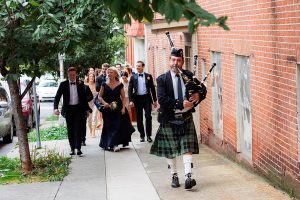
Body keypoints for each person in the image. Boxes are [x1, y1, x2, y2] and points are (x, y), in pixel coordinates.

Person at [150, 48, 207, 190]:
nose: (176, 63)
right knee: (171, 149)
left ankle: (188, 177)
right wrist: (181, 103)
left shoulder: (188, 75)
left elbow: (202, 88)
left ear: (182, 62)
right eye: (173, 60)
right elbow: (162, 99)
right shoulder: (162, 79)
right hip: (169, 118)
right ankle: (174, 175)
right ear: (169, 61)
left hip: (186, 117)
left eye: (179, 60)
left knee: (187, 147)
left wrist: (199, 95)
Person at [53, 67, 91, 156]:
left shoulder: (80, 84)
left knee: (78, 129)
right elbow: (57, 96)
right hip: (68, 109)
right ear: (68, 75)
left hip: (79, 109)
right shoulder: (63, 84)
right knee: (70, 129)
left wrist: (87, 109)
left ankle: (78, 149)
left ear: (76, 74)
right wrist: (55, 108)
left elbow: (84, 98)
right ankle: (72, 148)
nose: (72, 76)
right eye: (70, 75)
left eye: (74, 75)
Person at [98, 67, 135, 152]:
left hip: (118, 108)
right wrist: (104, 103)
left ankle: (115, 144)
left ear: (115, 74)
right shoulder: (104, 84)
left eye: (111, 72)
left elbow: (123, 97)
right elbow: (99, 97)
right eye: (108, 72)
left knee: (117, 126)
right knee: (108, 126)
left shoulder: (119, 84)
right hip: (107, 109)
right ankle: (108, 143)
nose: (109, 74)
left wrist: (123, 108)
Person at [128, 61, 157, 142]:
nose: (137, 67)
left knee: (148, 116)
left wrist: (155, 100)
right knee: (139, 118)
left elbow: (152, 89)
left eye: (139, 66)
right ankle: (142, 135)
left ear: (143, 67)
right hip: (137, 99)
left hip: (147, 98)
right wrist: (131, 100)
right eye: (136, 66)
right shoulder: (133, 77)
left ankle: (148, 136)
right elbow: (130, 89)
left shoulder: (149, 76)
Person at [85, 72, 98, 138]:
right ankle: (90, 130)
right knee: (89, 119)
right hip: (88, 104)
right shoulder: (85, 85)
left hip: (95, 103)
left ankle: (93, 132)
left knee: (94, 117)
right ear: (88, 77)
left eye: (93, 76)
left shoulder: (96, 85)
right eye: (90, 76)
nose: (91, 78)